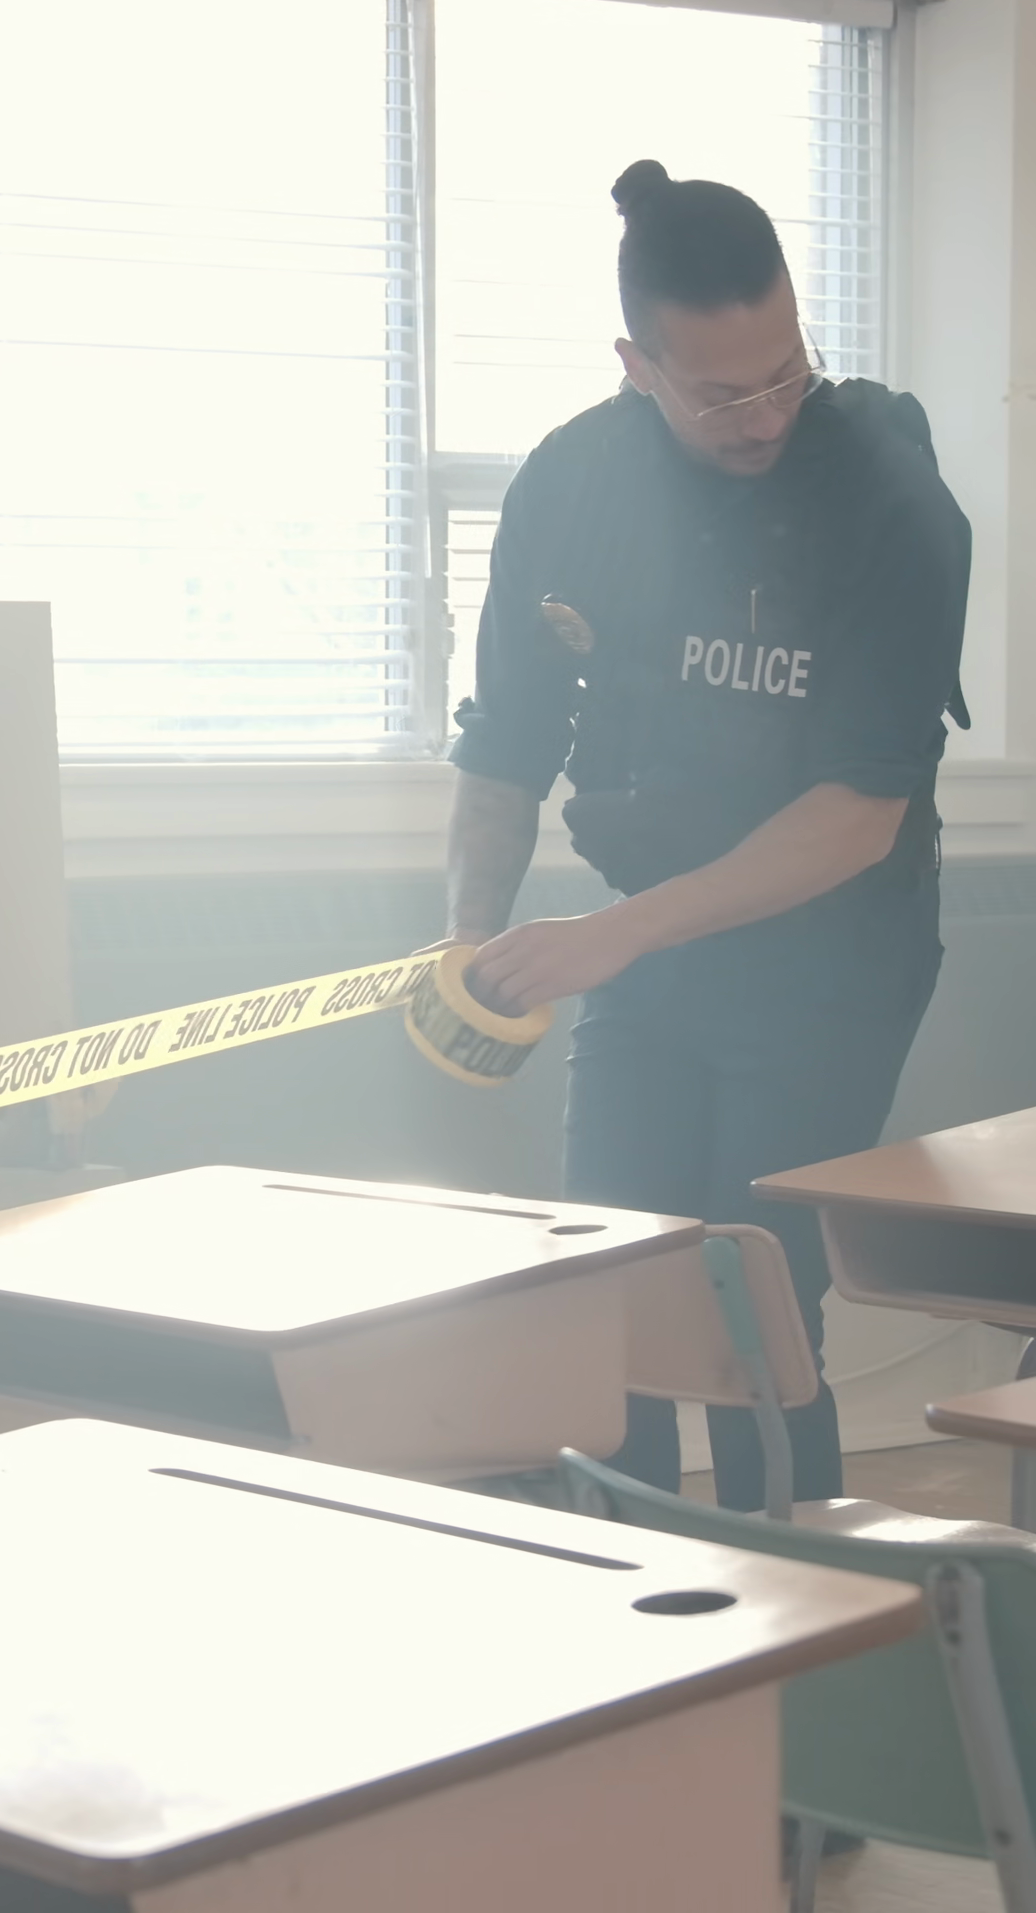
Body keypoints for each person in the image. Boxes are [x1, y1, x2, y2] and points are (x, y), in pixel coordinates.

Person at [444, 159, 971, 1512]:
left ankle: (798, 1602)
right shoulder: (572, 486)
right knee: (608, 1282)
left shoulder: (890, 498)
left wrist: (610, 938)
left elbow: (858, 816)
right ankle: (627, 1592)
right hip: (651, 933)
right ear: (638, 366)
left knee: (752, 1303)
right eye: (723, 395)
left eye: (787, 372)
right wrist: (467, 946)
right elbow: (506, 743)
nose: (765, 416)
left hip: (832, 953)